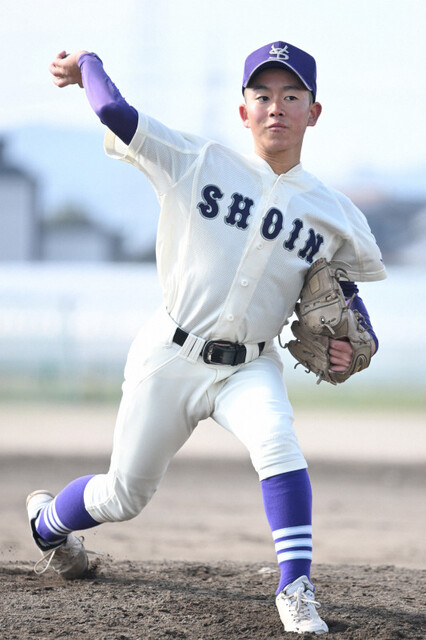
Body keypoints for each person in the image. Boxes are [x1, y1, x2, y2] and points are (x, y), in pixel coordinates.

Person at [26, 41, 386, 635]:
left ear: (313, 112)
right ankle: (46, 524)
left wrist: (352, 348)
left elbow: (344, 301)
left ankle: (295, 588)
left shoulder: (335, 212)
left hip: (250, 367)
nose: (277, 107)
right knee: (122, 497)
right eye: (262, 95)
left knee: (279, 446)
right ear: (243, 111)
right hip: (170, 354)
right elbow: (117, 113)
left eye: (291, 96)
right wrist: (87, 63)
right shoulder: (197, 160)